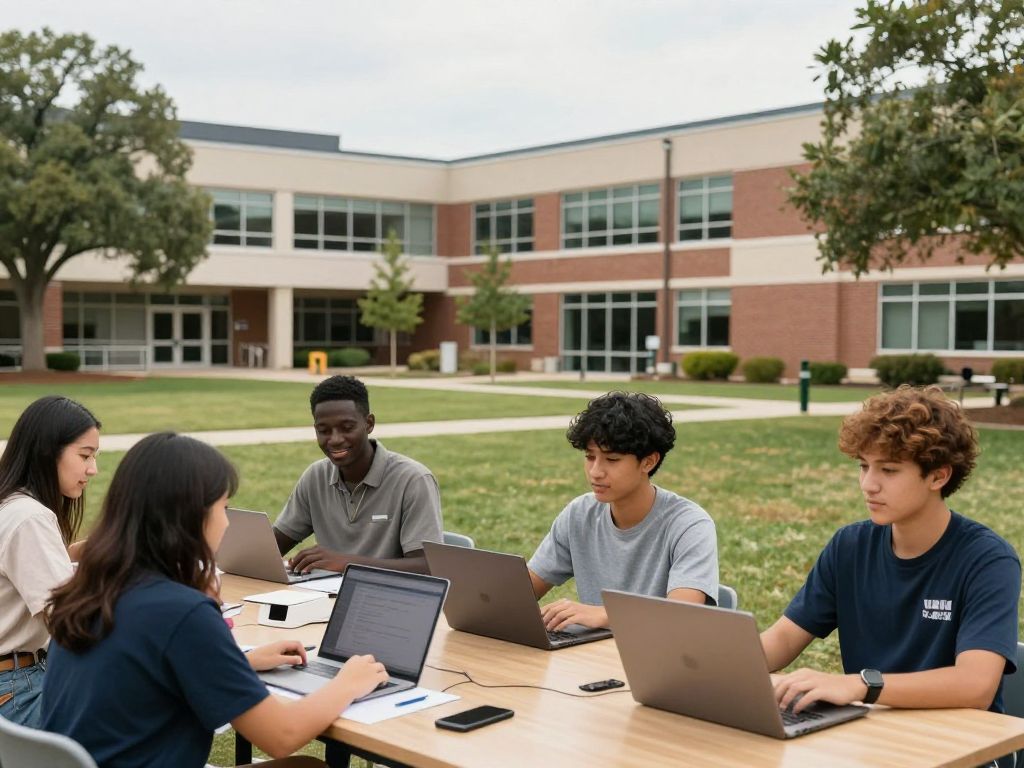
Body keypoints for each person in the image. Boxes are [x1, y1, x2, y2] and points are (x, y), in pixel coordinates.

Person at [41, 433, 387, 768]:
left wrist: (241, 663)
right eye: (223, 508)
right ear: (191, 516)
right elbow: (281, 735)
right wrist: (348, 682)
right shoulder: (181, 611)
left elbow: (142, 670)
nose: (226, 523)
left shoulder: (88, 587)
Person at [762, 385, 1020, 715]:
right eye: (863, 466)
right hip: (873, 733)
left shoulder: (988, 560)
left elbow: (975, 686)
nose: (868, 484)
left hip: (962, 740)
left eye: (889, 470)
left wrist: (861, 685)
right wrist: (713, 664)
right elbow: (783, 640)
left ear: (938, 476)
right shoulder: (849, 546)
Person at [527, 391, 718, 631]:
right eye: (590, 457)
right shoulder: (579, 514)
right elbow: (521, 592)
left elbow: (681, 614)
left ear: (648, 462)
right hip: (591, 650)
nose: (595, 472)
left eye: (612, 459)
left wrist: (605, 615)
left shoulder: (689, 524)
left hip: (656, 651)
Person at [274, 375, 442, 575]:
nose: (335, 439)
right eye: (324, 430)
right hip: (324, 592)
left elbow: (427, 567)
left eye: (347, 428)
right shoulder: (315, 477)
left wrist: (347, 564)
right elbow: (270, 547)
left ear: (369, 424)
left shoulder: (413, 480)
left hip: (387, 593)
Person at [0, 395, 99, 727]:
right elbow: (72, 624)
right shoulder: (29, 517)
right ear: (48, 452)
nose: (93, 469)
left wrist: (90, 550)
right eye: (85, 455)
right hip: (17, 690)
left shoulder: (10, 504)